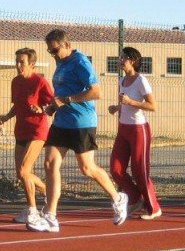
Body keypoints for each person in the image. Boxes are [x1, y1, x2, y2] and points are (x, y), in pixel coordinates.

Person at [27, 29, 128, 232]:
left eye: (55, 50)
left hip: (82, 122)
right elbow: (61, 92)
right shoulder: (60, 62)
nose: (53, 54)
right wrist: (51, 107)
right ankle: (51, 215)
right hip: (61, 121)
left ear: (66, 45)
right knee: (50, 163)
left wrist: (66, 100)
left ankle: (118, 198)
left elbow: (96, 92)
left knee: (87, 168)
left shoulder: (81, 62)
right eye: (50, 52)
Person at [0, 48, 54, 225]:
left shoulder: (40, 82)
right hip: (20, 130)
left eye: (22, 62)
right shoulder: (15, 82)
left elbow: (53, 104)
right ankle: (46, 190)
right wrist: (6, 116)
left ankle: (32, 211)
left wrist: (41, 109)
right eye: (17, 61)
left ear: (32, 64)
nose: (18, 65)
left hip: (37, 131)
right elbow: (18, 105)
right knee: (21, 175)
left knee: (24, 170)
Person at [108, 47, 162, 220]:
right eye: (120, 57)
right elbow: (126, 103)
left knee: (140, 171)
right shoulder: (122, 80)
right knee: (116, 169)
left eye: (123, 57)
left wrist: (131, 101)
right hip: (123, 129)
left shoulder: (141, 81)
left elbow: (153, 106)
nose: (120, 60)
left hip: (139, 130)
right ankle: (135, 198)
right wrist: (117, 107)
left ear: (132, 60)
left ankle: (153, 208)